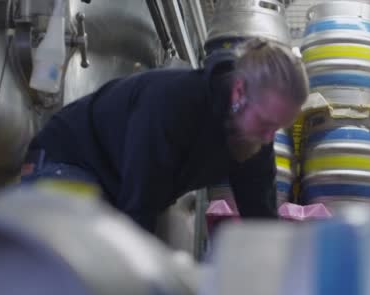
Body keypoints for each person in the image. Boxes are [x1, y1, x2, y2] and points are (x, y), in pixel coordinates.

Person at [20, 38, 310, 232]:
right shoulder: (173, 103)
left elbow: (261, 222)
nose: (270, 136)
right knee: (82, 262)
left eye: (278, 128)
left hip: (117, 187)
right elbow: (139, 203)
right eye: (266, 122)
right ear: (239, 92)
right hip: (66, 161)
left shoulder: (255, 135)